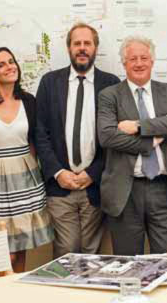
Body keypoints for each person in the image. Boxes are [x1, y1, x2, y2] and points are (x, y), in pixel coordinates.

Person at [35, 23, 120, 258]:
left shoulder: (111, 84)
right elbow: (40, 133)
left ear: (95, 48)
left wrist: (93, 173)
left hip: (95, 185)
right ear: (69, 48)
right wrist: (58, 172)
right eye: (77, 43)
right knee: (67, 250)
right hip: (60, 185)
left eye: (87, 43)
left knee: (91, 253)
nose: (82, 48)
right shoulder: (50, 82)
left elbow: (115, 137)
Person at [98, 36, 167, 255]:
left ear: (152, 61)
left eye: (144, 58)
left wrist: (138, 126)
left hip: (162, 189)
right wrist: (151, 141)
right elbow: (107, 137)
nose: (139, 63)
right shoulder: (109, 95)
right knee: (128, 261)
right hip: (125, 192)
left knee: (166, 259)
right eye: (132, 59)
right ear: (124, 63)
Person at [0, 47, 54, 272]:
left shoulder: (28, 101)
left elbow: (34, 141)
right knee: (0, 252)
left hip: (24, 179)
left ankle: (15, 289)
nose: (10, 67)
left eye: (11, 61)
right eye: (1, 64)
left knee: (19, 247)